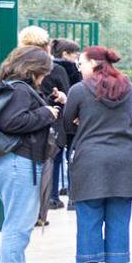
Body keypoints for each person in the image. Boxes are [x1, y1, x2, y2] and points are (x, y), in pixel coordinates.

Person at [60, 46, 132, 263]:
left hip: (90, 160)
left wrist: (82, 123)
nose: (78, 68)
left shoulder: (79, 90)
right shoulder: (128, 89)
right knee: (118, 218)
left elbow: (66, 122)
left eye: (81, 64)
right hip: (123, 160)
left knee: (89, 218)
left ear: (94, 63)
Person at [0, 45, 60, 263]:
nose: (46, 77)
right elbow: (13, 122)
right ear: (34, 70)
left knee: (15, 217)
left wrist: (47, 104)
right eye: (44, 72)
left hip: (5, 160)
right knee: (20, 220)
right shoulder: (20, 90)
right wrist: (47, 113)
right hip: (17, 161)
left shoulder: (10, 86)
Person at [18, 26, 69, 227]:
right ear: (46, 46)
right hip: (50, 123)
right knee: (51, 164)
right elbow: (66, 94)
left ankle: (33, 210)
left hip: (23, 129)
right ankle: (49, 200)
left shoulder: (15, 67)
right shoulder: (57, 69)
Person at [48, 38, 82, 209]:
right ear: (65, 54)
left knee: (55, 158)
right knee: (73, 158)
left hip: (55, 119)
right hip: (74, 119)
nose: (77, 57)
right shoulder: (76, 71)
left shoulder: (48, 69)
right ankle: (73, 198)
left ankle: (53, 197)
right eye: (75, 53)